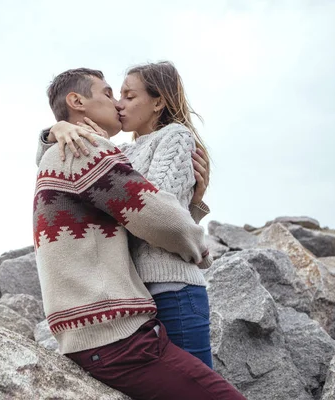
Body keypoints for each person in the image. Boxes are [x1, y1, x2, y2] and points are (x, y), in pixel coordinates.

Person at [33, 67, 245, 399]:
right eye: (109, 93)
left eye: (127, 96)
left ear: (158, 103)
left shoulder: (69, 151)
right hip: (112, 332)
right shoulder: (84, 150)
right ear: (77, 101)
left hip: (96, 326)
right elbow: (164, 222)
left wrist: (54, 131)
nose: (117, 103)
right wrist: (202, 251)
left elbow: (155, 213)